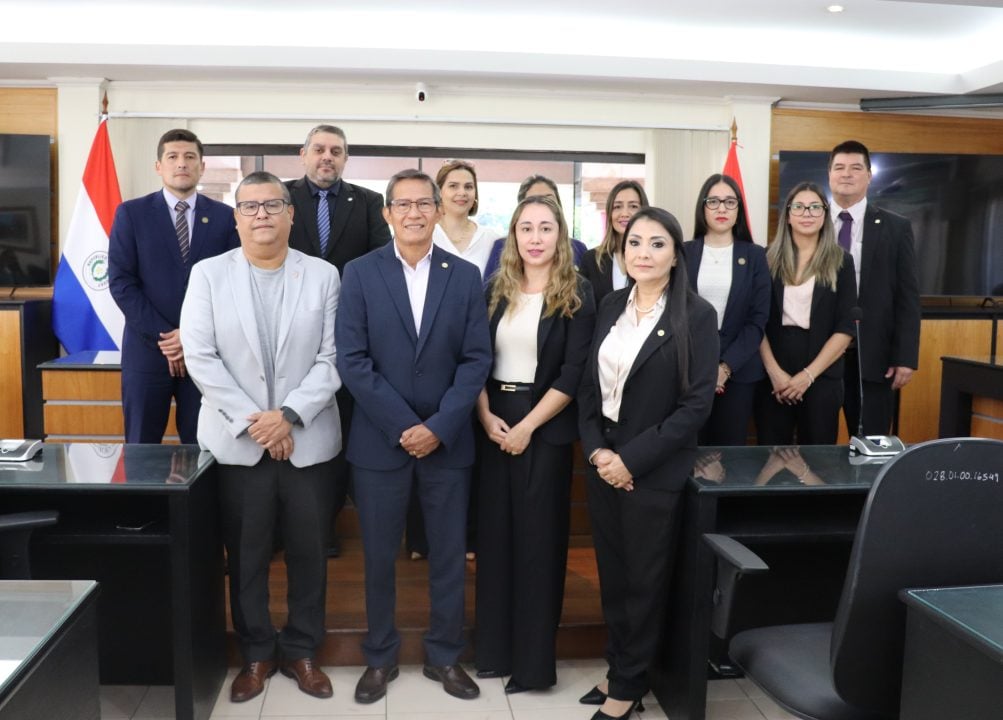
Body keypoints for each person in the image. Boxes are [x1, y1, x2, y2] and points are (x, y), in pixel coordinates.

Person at [179, 171, 341, 703]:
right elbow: (201, 357)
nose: (262, 215)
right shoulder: (208, 275)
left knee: (309, 553)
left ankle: (302, 650)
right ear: (236, 218)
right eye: (250, 206)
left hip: (308, 440)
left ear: (291, 214)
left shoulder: (322, 275)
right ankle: (256, 652)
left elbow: (333, 357)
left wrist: (288, 415)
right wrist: (261, 423)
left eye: (273, 205)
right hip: (239, 444)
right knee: (246, 555)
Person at [336, 169, 492, 704]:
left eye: (424, 203)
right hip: (380, 443)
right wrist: (406, 427)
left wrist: (438, 427)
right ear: (387, 214)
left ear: (438, 210)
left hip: (448, 443)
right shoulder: (359, 273)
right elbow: (353, 361)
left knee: (448, 556)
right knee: (380, 557)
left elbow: (475, 360)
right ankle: (380, 656)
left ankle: (444, 655)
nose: (414, 213)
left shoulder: (464, 276)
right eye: (402, 204)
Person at [578, 207, 718, 720]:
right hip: (603, 461)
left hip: (652, 467)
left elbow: (695, 407)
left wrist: (629, 461)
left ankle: (630, 684)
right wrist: (598, 451)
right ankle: (620, 668)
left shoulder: (696, 315)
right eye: (634, 242)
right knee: (614, 577)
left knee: (643, 582)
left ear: (676, 255)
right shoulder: (611, 303)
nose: (643, 252)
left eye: (657, 244)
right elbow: (588, 389)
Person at [474, 195, 595, 692]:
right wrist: (485, 415)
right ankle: (493, 653)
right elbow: (473, 358)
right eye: (526, 228)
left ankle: (532, 666)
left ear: (560, 235)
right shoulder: (493, 288)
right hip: (492, 420)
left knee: (538, 546)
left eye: (546, 228)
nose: (536, 238)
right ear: (514, 235)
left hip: (545, 424)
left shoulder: (578, 292)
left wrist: (528, 426)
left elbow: (573, 372)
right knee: (495, 541)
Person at [286, 124, 392, 558]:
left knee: (340, 434)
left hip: (350, 335)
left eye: (336, 151)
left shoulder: (368, 202)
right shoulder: (280, 197)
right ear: (303, 154)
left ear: (346, 158)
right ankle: (286, 529)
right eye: (319, 149)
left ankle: (326, 526)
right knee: (294, 423)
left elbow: (381, 264)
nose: (327, 157)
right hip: (290, 334)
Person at [109, 128, 238, 444]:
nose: (182, 163)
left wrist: (190, 336)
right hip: (146, 352)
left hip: (205, 352)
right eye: (173, 157)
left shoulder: (225, 217)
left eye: (190, 157)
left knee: (202, 445)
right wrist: (166, 337)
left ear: (201, 166)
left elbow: (231, 285)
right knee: (140, 444)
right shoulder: (131, 213)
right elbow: (122, 282)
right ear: (159, 166)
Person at [828, 140, 921, 436]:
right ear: (829, 175)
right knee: (813, 445)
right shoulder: (808, 222)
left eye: (856, 168)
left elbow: (907, 296)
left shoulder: (896, 227)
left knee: (872, 444)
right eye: (839, 167)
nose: (846, 174)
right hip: (817, 354)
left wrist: (905, 356)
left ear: (869, 176)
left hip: (873, 356)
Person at [756, 182, 856, 445]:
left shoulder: (842, 262)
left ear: (825, 215)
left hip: (822, 371)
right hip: (773, 371)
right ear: (788, 215)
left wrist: (808, 376)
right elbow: (756, 322)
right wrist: (774, 373)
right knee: (772, 456)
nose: (807, 213)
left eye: (815, 207)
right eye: (799, 207)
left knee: (818, 458)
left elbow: (845, 328)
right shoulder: (765, 260)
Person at [684, 173, 770, 445]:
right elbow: (676, 314)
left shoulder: (755, 255)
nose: (722, 208)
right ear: (702, 207)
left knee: (731, 452)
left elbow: (757, 320)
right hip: (690, 370)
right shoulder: (684, 253)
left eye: (730, 202)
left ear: (738, 210)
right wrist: (704, 368)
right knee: (690, 448)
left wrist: (725, 368)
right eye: (714, 201)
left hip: (740, 371)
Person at [482, 174, 588, 280]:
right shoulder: (500, 247)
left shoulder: (578, 248)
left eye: (548, 200)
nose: (541, 205)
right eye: (532, 200)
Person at [580, 180, 648, 305]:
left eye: (633, 206)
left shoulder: (650, 258)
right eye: (617, 207)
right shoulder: (592, 259)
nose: (625, 213)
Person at [432, 159, 501, 276]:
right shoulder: (427, 236)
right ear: (439, 192)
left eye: (468, 187)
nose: (462, 192)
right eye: (453, 186)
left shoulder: (490, 239)